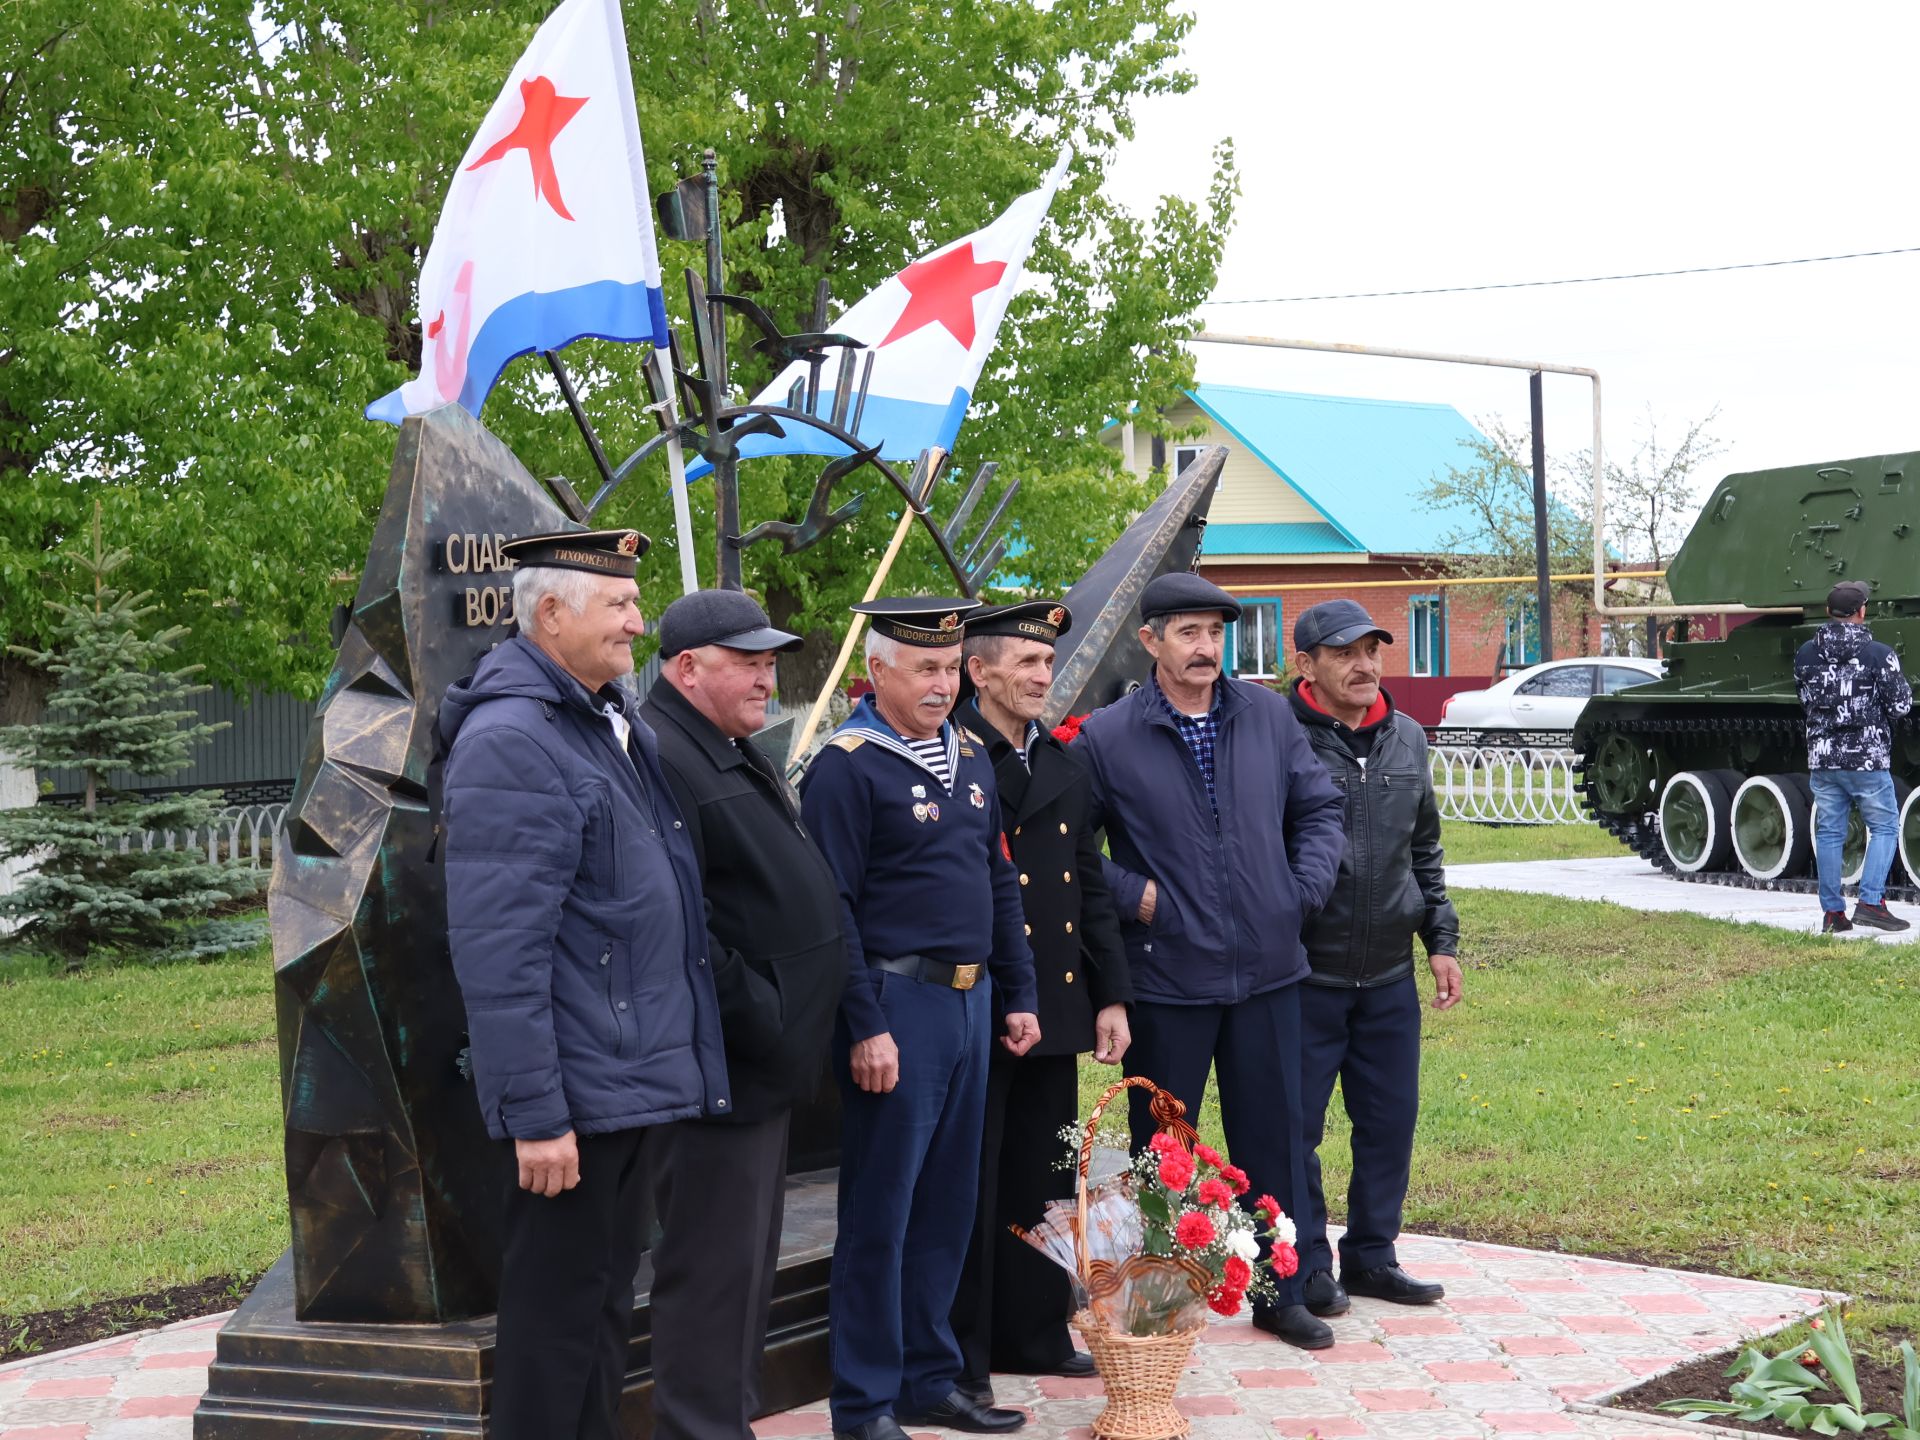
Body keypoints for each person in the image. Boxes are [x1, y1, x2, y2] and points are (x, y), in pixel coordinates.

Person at [439, 528, 729, 1440]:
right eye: (620, 605)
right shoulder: (513, 741)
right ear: (551, 613)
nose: (639, 623)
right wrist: (536, 1114)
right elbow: (500, 951)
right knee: (555, 1330)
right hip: (573, 1096)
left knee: (601, 1316)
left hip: (624, 1082)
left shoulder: (605, 720)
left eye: (637, 603)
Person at [1072, 571, 1346, 1350]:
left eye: (1214, 633)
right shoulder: (1109, 735)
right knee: (1166, 1151)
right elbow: (1077, 853)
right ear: (1149, 640)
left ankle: (1279, 1291)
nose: (1205, 648)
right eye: (1186, 633)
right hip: (1167, 977)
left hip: (1268, 970)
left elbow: (1319, 807)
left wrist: (1300, 890)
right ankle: (1161, 1297)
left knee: (1278, 1139)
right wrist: (1141, 900)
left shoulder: (1265, 715)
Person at [799, 598, 1041, 1440]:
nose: (943, 685)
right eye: (925, 669)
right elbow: (831, 908)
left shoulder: (972, 755)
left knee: (946, 1207)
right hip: (896, 1007)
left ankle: (926, 1379)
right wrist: (864, 1025)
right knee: (883, 1213)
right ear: (878, 673)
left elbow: (997, 883)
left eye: (950, 669)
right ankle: (863, 1402)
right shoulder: (848, 766)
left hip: (972, 1005)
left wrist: (1021, 993)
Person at [638, 590, 849, 1440]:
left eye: (771, 659)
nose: (769, 675)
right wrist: (765, 1012)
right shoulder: (665, 755)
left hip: (759, 1068)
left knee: (745, 1273)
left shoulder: (722, 745)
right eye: (749, 661)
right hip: (719, 1066)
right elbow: (681, 924)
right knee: (713, 1273)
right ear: (688, 669)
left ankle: (725, 1423)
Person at [949, 601, 1132, 1402]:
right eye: (1022, 661)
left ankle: (1033, 1331)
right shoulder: (951, 752)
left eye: (1046, 661)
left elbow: (1088, 885)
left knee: (1042, 1178)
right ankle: (966, 1345)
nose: (1039, 675)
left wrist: (1110, 996)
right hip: (978, 1000)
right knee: (974, 1181)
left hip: (1054, 1001)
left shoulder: (1061, 759)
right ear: (977, 670)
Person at [1286, 599, 1462, 1318]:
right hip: (1304, 976)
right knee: (1295, 1130)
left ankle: (1372, 1255)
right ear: (1306, 664)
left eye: (1371, 650)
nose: (1363, 665)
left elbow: (1424, 849)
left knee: (1389, 1121)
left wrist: (1441, 941)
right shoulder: (1279, 738)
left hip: (1389, 974)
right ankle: (1308, 1266)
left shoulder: (1407, 739)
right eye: (1343, 653)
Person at [1795, 579, 1914, 934]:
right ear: (1861, 611)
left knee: (1830, 832)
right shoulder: (1878, 653)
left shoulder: (1806, 653)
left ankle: (1833, 914)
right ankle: (1871, 902)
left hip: (1824, 758)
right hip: (1867, 759)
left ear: (1830, 612)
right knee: (1885, 826)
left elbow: (1805, 702)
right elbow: (1901, 705)